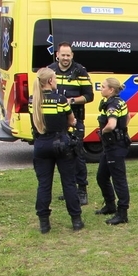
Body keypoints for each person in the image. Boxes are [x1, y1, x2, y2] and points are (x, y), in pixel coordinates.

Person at [31, 67, 83, 234]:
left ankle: (44, 224)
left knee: (44, 185)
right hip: (61, 143)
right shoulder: (60, 100)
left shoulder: (33, 101)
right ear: (50, 81)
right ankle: (76, 220)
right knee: (68, 183)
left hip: (41, 144)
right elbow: (71, 120)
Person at [48, 42, 93, 205]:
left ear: (72, 56)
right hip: (57, 122)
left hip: (75, 121)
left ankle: (82, 190)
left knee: (78, 156)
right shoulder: (50, 70)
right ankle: (69, 189)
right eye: (63, 55)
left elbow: (89, 96)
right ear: (57, 55)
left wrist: (70, 101)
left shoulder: (80, 71)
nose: (65, 58)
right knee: (62, 156)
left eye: (68, 55)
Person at [94, 78, 131, 225]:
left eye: (103, 87)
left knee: (118, 179)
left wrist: (103, 131)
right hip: (112, 146)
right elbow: (128, 116)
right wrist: (121, 130)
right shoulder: (119, 101)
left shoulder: (112, 105)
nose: (101, 89)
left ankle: (122, 213)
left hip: (115, 146)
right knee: (101, 177)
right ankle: (110, 205)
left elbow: (111, 124)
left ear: (111, 90)